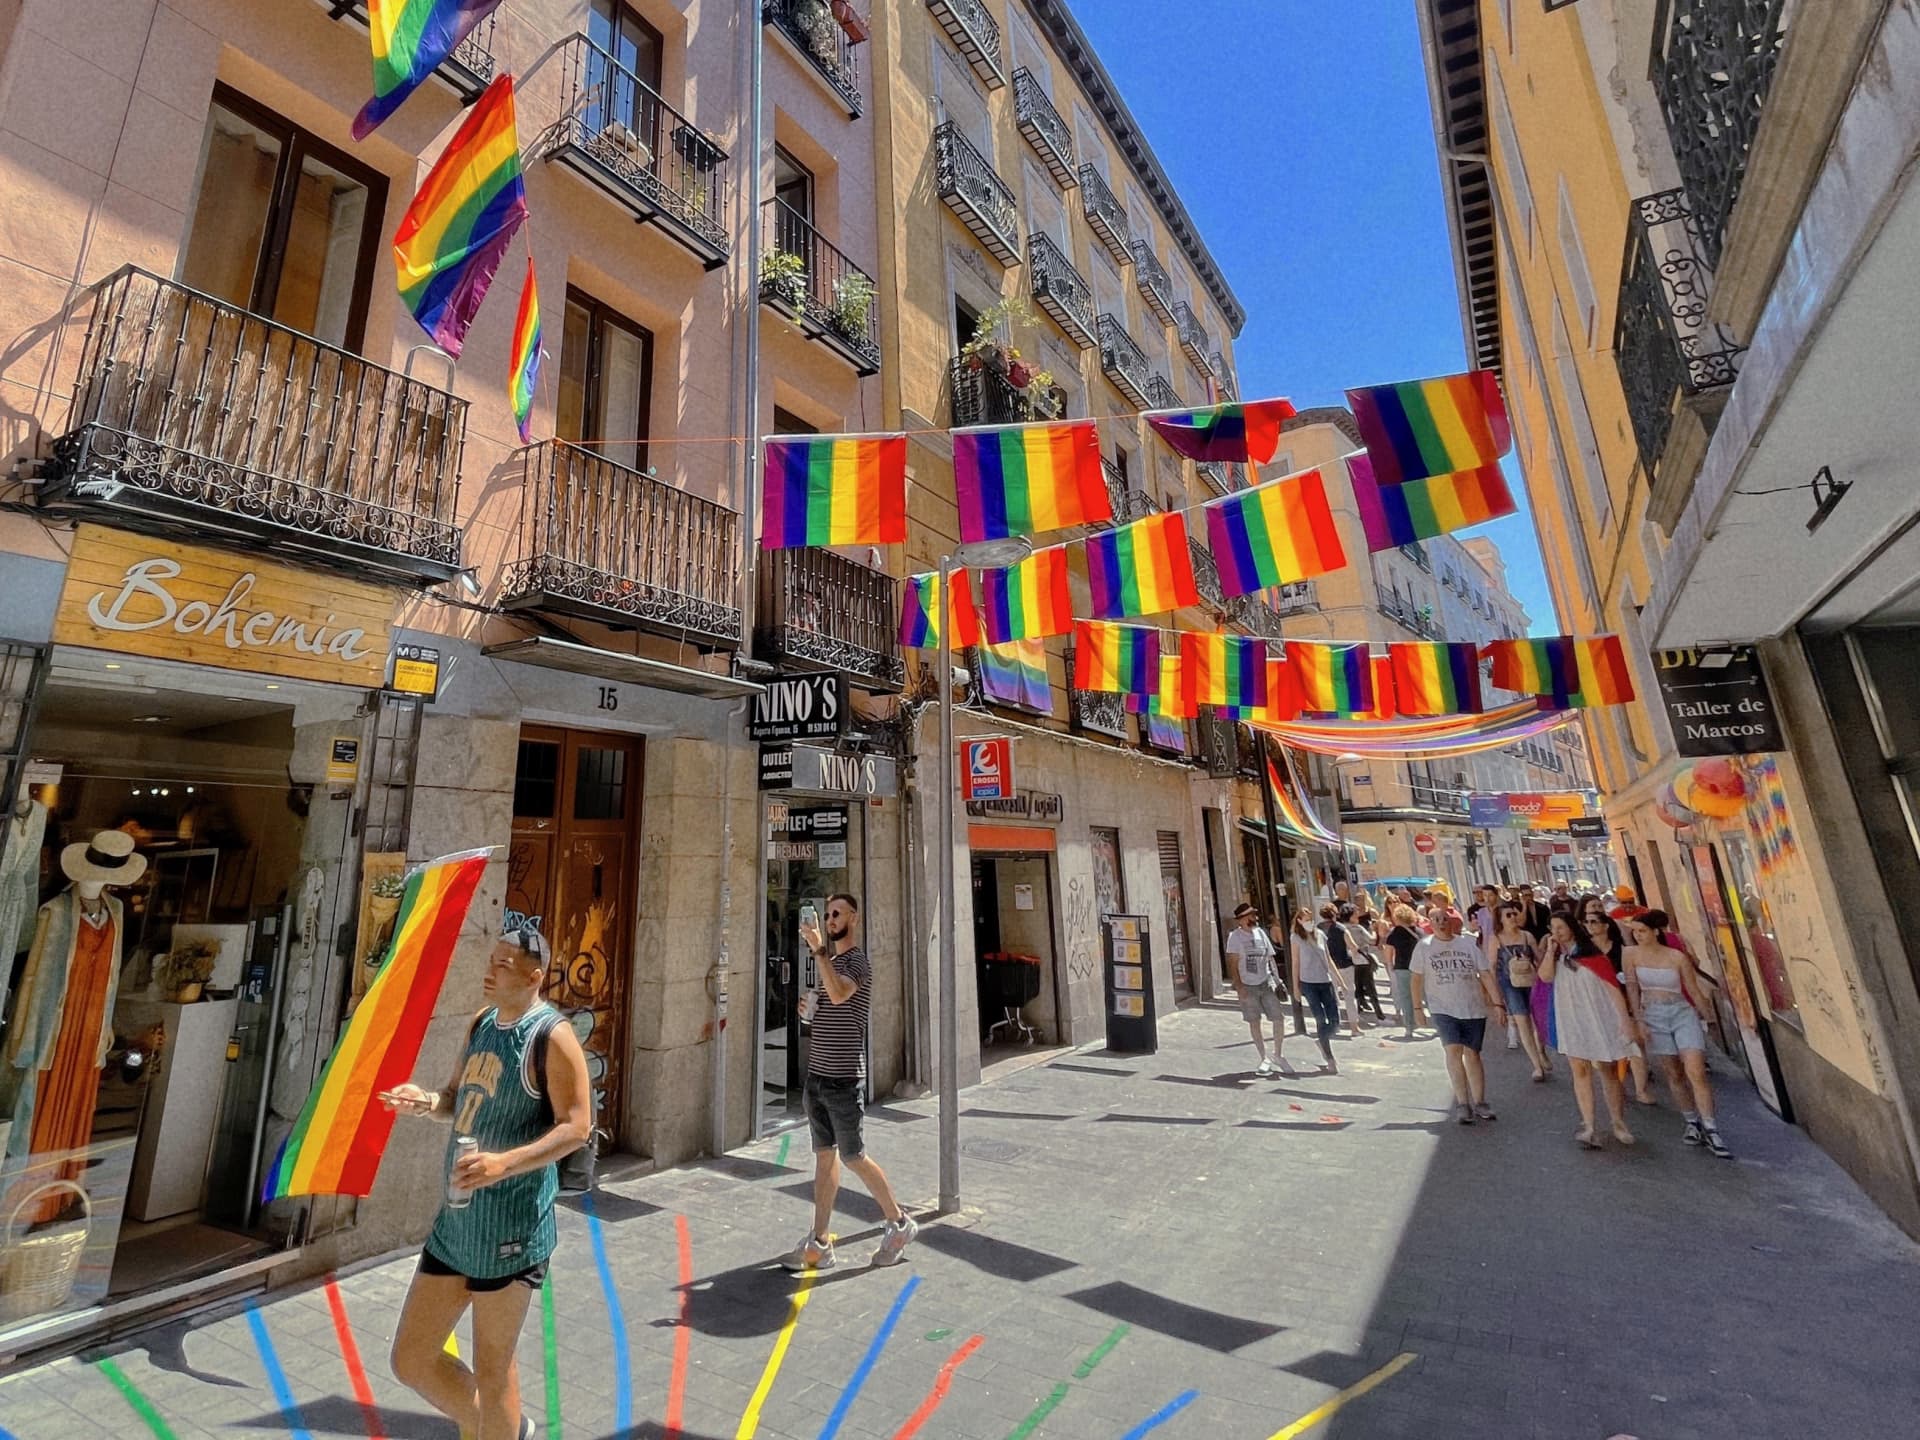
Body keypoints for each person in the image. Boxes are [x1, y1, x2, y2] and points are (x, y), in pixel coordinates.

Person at [386, 918, 593, 1440]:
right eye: (491, 960)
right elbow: (455, 1099)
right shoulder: (481, 1023)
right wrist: (425, 1102)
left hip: (512, 1230)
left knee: (495, 1369)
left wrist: (506, 1163)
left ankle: (493, 1429)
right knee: (411, 1358)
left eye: (504, 964)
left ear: (533, 976)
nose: (491, 970)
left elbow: (577, 1127)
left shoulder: (552, 1036)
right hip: (457, 1225)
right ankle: (499, 1428)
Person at [783, 894, 918, 1270]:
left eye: (837, 913)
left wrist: (818, 951)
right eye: (827, 914)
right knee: (825, 1157)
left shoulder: (856, 961)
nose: (830, 919)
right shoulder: (832, 961)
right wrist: (808, 1008)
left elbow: (842, 995)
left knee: (854, 1155)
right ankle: (820, 1242)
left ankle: (900, 1222)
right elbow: (829, 1002)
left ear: (853, 919)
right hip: (818, 1076)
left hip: (843, 1078)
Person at [1624, 911, 1732, 1157]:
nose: (1638, 936)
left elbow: (1692, 989)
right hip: (1653, 1015)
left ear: (1656, 932)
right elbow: (1632, 988)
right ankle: (1691, 1121)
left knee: (1695, 1070)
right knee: (1673, 1072)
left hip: (1682, 1012)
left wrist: (1709, 1017)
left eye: (1642, 931)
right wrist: (1639, 1020)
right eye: (1635, 931)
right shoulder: (1630, 955)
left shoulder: (1676, 957)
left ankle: (1712, 1127)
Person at [1539, 913, 1638, 1149]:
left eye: (1561, 927)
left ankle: (1618, 1122)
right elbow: (1545, 977)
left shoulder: (1593, 955)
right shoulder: (1557, 957)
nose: (1557, 932)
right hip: (1571, 1018)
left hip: (1598, 1017)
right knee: (1579, 1070)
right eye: (1553, 928)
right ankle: (1589, 1125)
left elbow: (1613, 988)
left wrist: (1625, 1020)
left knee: (1608, 1070)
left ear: (1572, 928)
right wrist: (1550, 952)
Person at [1410, 908, 1504, 1123]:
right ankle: (1463, 1103)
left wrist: (1497, 1003)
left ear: (1452, 922)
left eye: (1445, 919)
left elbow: (1485, 974)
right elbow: (1416, 979)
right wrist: (1417, 1009)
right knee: (1453, 1051)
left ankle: (1480, 1101)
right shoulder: (1424, 947)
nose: (1441, 923)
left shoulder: (1467, 944)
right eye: (1436, 919)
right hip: (1443, 1009)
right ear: (1430, 923)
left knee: (1473, 1054)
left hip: (1472, 1007)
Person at [1585, 907, 1655, 1105]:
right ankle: (1618, 1087)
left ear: (1605, 926)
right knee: (1608, 1049)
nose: (1589, 926)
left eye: (1593, 922)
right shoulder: (1586, 950)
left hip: (1624, 999)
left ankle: (1641, 1090)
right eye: (1587, 923)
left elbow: (1630, 977)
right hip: (1599, 1003)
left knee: (1635, 1045)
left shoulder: (1620, 949)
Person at [1491, 902, 1551, 1081]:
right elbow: (1492, 967)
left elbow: (1539, 958)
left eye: (1514, 914)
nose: (1513, 917)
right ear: (1500, 919)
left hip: (1531, 981)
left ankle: (1541, 1051)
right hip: (1510, 985)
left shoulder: (1527, 936)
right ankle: (1536, 1066)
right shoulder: (1497, 939)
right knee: (1523, 1023)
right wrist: (1496, 997)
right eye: (1508, 915)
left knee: (1538, 1022)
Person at [1227, 902, 1287, 1075]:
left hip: (1265, 981)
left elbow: (1270, 958)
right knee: (1254, 1022)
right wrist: (1239, 986)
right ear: (1243, 919)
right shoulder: (1235, 937)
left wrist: (1277, 979)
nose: (1255, 918)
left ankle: (1278, 1054)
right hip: (1247, 985)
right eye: (1252, 915)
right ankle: (1263, 1057)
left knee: (1278, 1018)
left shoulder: (1260, 933)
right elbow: (1232, 963)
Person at [1289, 910, 1348, 1074]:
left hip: (1325, 981)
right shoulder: (1296, 938)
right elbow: (1295, 963)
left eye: (1311, 919)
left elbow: (1328, 959)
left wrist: (1340, 981)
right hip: (1309, 983)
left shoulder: (1320, 934)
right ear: (1299, 921)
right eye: (1306, 919)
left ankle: (1321, 1040)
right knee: (1320, 1019)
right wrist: (1295, 987)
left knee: (1335, 1021)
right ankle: (1329, 1057)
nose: (1309, 922)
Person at [1319, 904, 1363, 1037]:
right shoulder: (1341, 928)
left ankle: (1335, 1026)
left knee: (1332, 998)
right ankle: (1354, 1028)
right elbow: (1353, 946)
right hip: (1345, 965)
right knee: (1349, 996)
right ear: (1335, 913)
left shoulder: (1318, 928)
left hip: (1327, 967)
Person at [1384, 903, 1426, 1038]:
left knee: (1406, 998)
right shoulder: (1419, 932)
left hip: (1402, 968)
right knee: (1425, 995)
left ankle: (1409, 1027)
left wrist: (1390, 967)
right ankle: (1432, 1023)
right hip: (1420, 969)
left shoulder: (1394, 933)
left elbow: (1389, 952)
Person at [1343, 903, 1386, 1023]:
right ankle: (1380, 1015)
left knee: (1355, 987)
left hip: (1349, 961)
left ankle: (1357, 1012)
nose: (1358, 917)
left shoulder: (1341, 928)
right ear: (1351, 916)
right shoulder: (1358, 928)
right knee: (1371, 988)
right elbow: (1372, 941)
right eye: (1356, 914)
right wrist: (1373, 930)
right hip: (1362, 960)